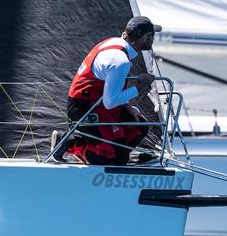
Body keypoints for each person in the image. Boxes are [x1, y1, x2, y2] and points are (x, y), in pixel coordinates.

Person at [53, 16, 161, 165]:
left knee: (139, 127)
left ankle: (117, 152)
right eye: (151, 36)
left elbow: (111, 89)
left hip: (98, 103)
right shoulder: (119, 61)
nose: (153, 39)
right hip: (85, 108)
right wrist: (139, 87)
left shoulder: (115, 44)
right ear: (143, 38)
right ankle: (71, 143)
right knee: (116, 158)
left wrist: (128, 106)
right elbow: (110, 102)